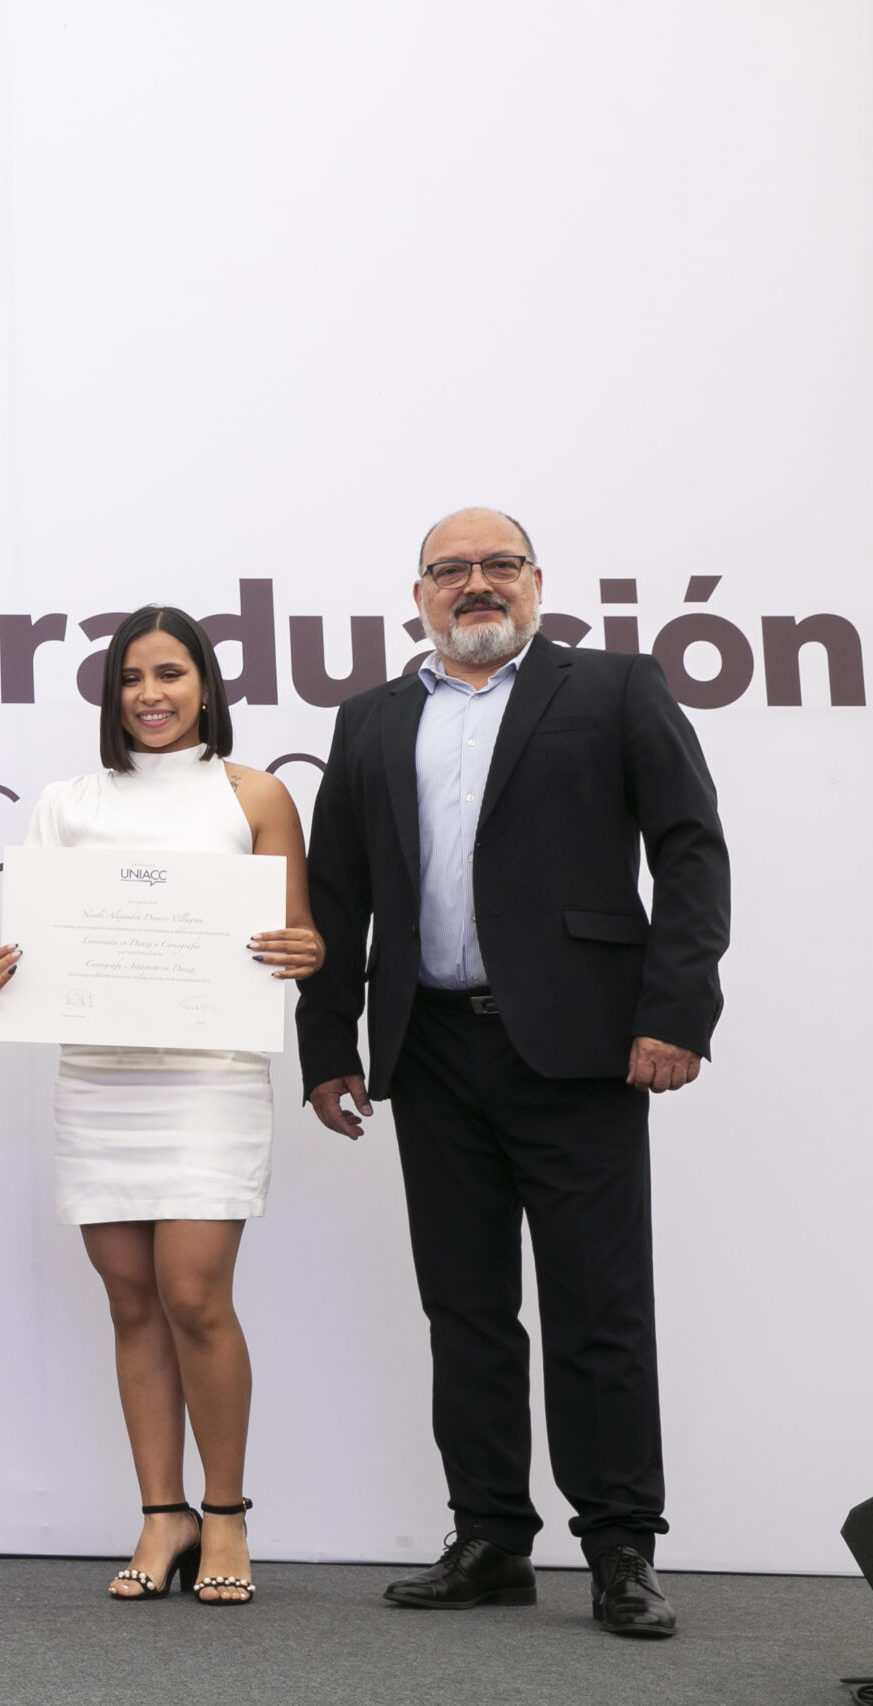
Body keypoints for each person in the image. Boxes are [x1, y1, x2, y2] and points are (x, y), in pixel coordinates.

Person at [297, 508, 729, 1639]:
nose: (475, 583)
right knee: (466, 1308)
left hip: (583, 1046)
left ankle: (621, 1547)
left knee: (600, 1308)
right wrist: (327, 1045)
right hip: (431, 1048)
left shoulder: (615, 688)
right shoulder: (370, 718)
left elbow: (690, 849)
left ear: (536, 581)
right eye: (451, 570)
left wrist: (675, 1010)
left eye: (498, 565)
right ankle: (489, 1536)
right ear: (419, 594)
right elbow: (336, 891)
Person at [0, 606, 321, 1606]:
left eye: (170, 673)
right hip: (101, 1075)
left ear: (206, 686)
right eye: (130, 677)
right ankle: (161, 1513)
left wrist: (308, 949)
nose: (150, 694)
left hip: (210, 1074)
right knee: (130, 1298)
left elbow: (297, 935)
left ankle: (225, 1513)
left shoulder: (254, 794)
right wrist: (4, 974)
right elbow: (32, 947)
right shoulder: (68, 801)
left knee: (195, 1294)